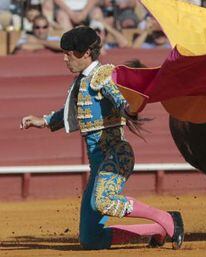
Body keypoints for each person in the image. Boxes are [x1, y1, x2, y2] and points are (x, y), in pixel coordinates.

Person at [19, 26, 184, 250]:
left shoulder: (102, 76)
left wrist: (129, 109)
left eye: (69, 53)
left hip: (116, 154)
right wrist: (44, 121)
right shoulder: (82, 80)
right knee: (91, 239)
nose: (65, 58)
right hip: (98, 161)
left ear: (86, 53)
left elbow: (119, 100)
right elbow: (72, 111)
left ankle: (167, 218)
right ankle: (157, 230)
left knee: (103, 201)